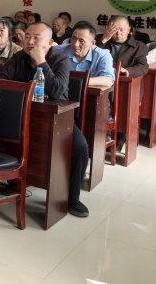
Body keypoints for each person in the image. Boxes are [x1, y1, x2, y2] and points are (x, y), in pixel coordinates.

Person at [0, 22, 91, 217]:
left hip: (57, 118)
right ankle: (16, 179)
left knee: (80, 148)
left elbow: (57, 92)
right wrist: (27, 92)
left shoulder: (60, 59)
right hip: (22, 115)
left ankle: (72, 198)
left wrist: (41, 63)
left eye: (36, 38)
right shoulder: (19, 57)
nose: (30, 41)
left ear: (49, 42)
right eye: (27, 37)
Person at [54, 21, 114, 217]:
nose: (76, 44)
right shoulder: (60, 51)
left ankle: (73, 197)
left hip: (90, 106)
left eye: (82, 40)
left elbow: (107, 80)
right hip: (61, 105)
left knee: (81, 146)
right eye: (73, 38)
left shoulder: (102, 54)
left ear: (93, 43)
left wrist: (75, 80)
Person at [95, 15, 149, 152]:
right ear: (107, 29)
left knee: (124, 111)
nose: (118, 33)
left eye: (122, 29)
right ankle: (102, 135)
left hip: (128, 87)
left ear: (129, 30)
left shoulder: (139, 46)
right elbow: (90, 56)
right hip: (104, 85)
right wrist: (103, 40)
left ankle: (119, 138)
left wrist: (127, 70)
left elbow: (143, 67)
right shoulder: (99, 42)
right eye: (114, 29)